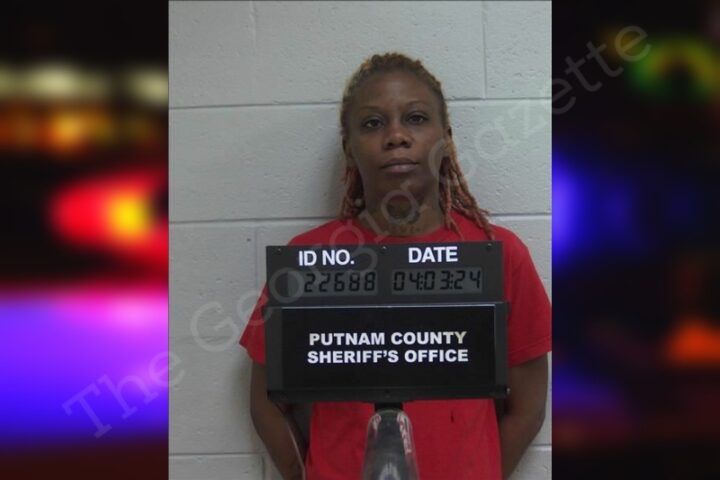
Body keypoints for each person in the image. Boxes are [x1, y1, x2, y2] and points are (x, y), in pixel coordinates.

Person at [240, 52, 551, 480]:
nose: (397, 136)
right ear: (350, 148)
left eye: (416, 118)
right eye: (372, 123)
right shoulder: (310, 259)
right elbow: (266, 401)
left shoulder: (499, 253)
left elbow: (529, 406)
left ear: (446, 138)